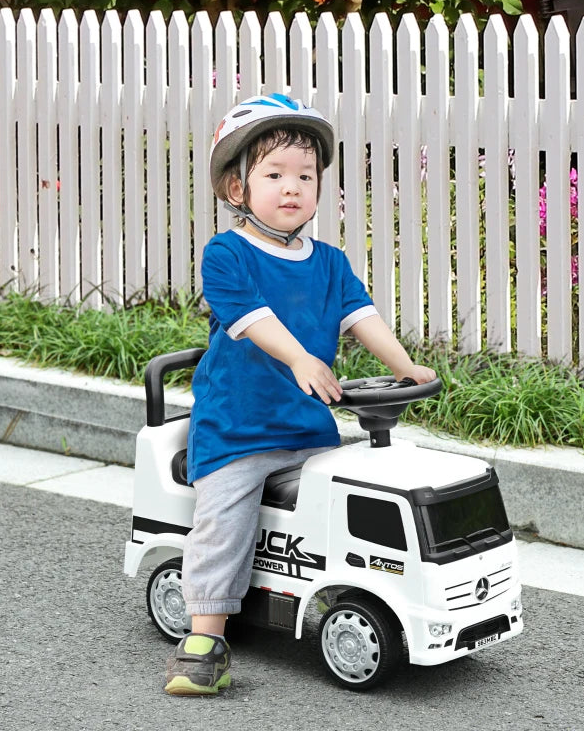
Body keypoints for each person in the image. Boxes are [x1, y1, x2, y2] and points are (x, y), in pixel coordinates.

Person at [164, 93, 436, 696]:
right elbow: (252, 319)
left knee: (362, 493)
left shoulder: (330, 262)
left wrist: (404, 364)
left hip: (309, 431)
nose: (292, 188)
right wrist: (301, 356)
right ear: (237, 189)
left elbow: (361, 316)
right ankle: (204, 639)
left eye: (305, 177)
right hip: (238, 431)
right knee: (225, 517)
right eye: (274, 174)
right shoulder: (227, 254)